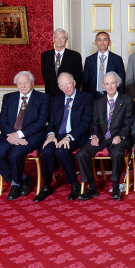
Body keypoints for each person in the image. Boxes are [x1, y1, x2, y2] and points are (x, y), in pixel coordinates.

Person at [0, 71, 49, 200]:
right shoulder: (8, 98)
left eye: (25, 82)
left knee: (14, 154)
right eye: (19, 83)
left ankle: (15, 184)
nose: (23, 86)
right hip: (9, 135)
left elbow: (41, 122)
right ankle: (24, 178)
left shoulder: (43, 98)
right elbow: (2, 121)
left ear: (32, 83)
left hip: (31, 136)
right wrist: (12, 135)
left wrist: (19, 135)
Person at [34, 73, 93, 202]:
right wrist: (50, 135)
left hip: (77, 135)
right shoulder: (55, 100)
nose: (66, 87)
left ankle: (74, 184)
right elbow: (51, 123)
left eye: (68, 83)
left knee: (61, 151)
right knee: (46, 150)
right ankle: (46, 186)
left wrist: (69, 137)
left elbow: (86, 122)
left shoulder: (86, 97)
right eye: (62, 85)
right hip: (57, 135)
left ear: (74, 83)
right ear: (59, 87)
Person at [77, 72, 134, 200]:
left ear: (117, 84)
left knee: (117, 153)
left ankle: (115, 187)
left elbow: (128, 123)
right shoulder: (98, 102)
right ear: (103, 85)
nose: (110, 87)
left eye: (112, 83)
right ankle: (91, 187)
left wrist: (120, 136)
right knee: (81, 154)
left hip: (118, 138)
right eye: (107, 84)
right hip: (102, 138)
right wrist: (95, 136)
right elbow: (95, 123)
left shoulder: (126, 100)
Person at [40, 28, 83, 96]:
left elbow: (78, 77)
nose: (59, 40)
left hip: (68, 94)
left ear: (66, 40)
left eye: (62, 38)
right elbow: (45, 75)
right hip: (50, 94)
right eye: (56, 37)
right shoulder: (45, 55)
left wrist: (71, 93)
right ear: (53, 39)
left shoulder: (75, 56)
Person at [83, 31, 126, 97]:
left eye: (105, 40)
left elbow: (121, 80)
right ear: (96, 42)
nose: (102, 43)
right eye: (99, 40)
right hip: (93, 96)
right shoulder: (89, 60)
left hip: (111, 95)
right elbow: (85, 81)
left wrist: (121, 97)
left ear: (109, 42)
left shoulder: (117, 59)